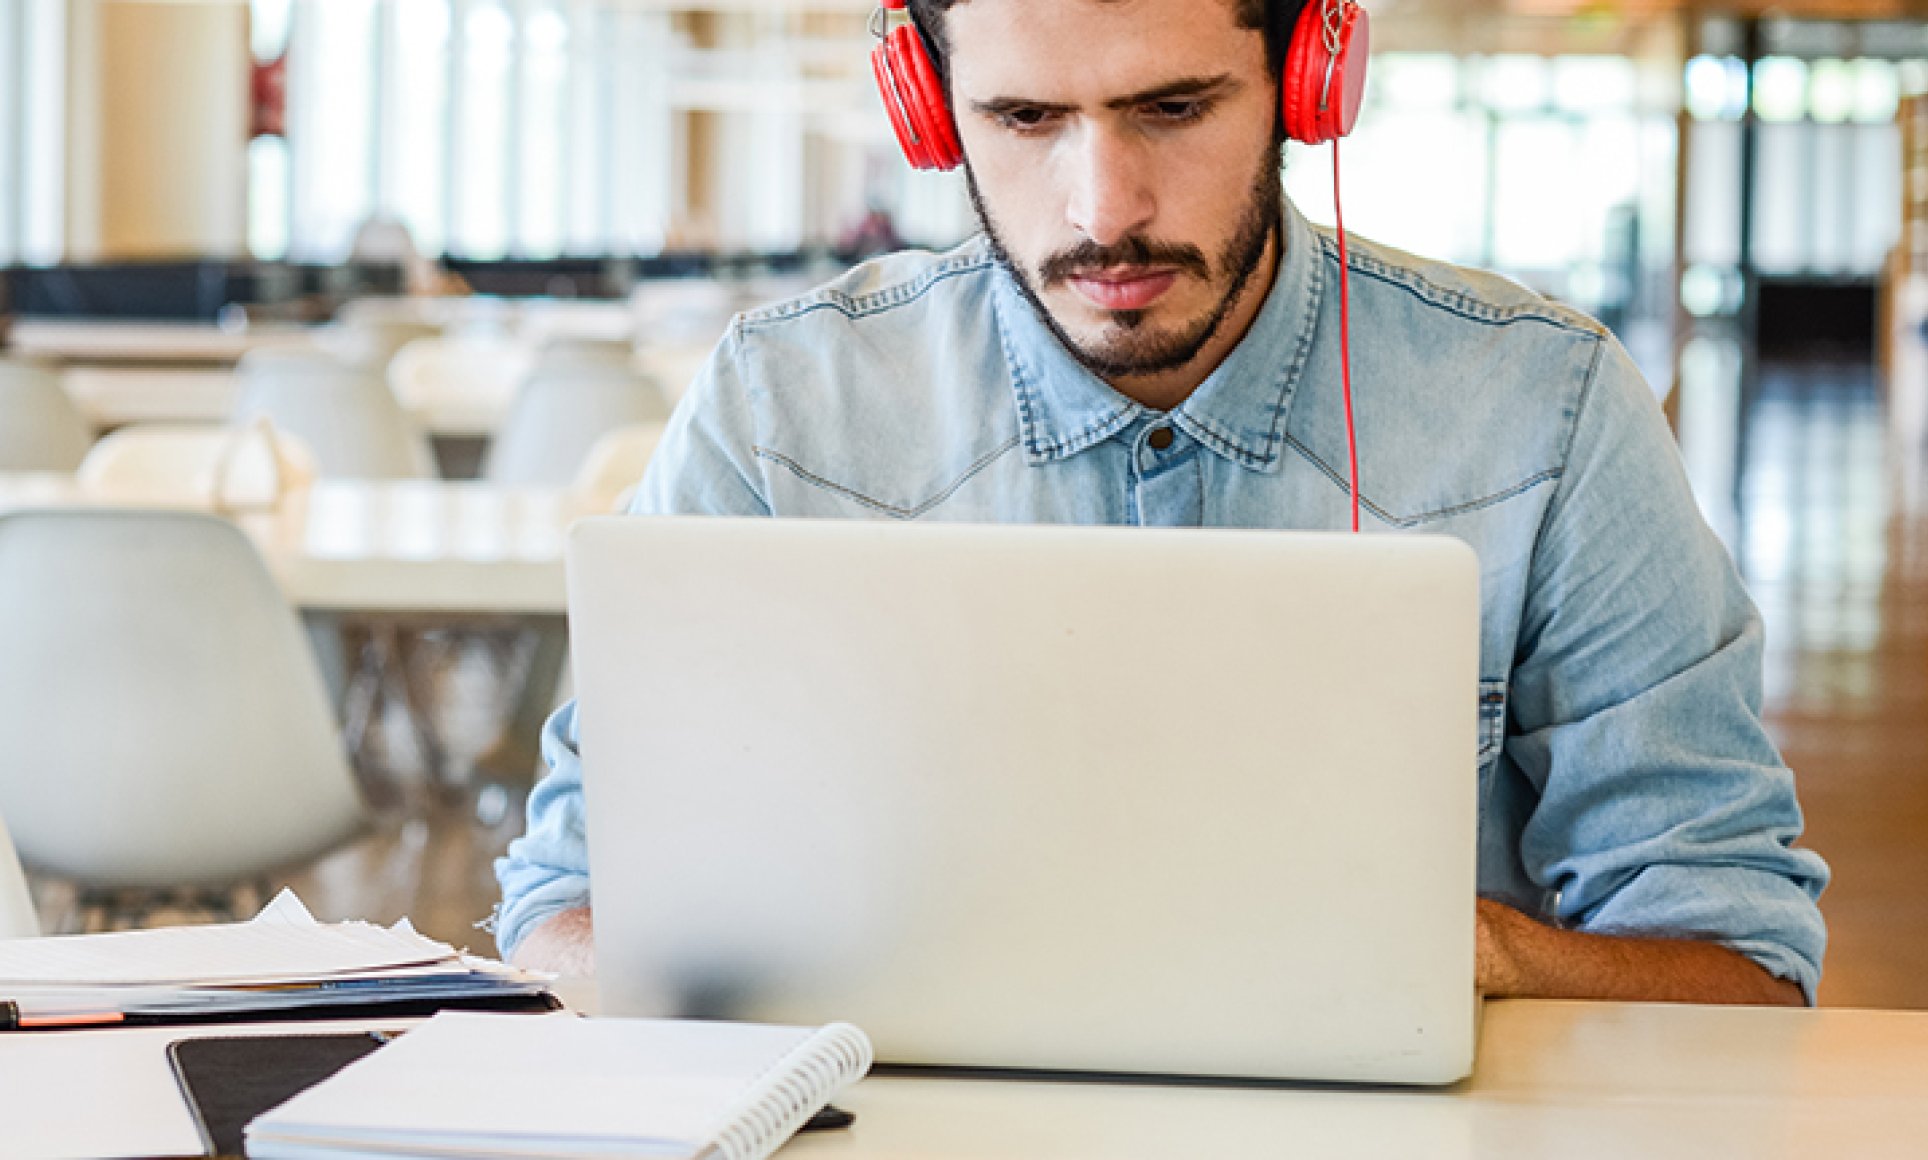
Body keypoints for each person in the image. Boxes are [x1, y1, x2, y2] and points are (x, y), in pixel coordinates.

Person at [495, 0, 1828, 1004]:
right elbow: (570, 908)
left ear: (1308, 79)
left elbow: (1742, 965)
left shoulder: (1542, 408)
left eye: (1176, 109)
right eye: (1024, 121)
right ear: (928, 103)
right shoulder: (782, 409)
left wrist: (1476, 954)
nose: (1104, 210)